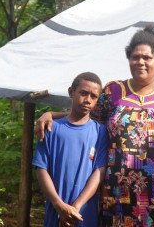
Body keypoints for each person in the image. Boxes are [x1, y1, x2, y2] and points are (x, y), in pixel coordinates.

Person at [35, 25, 154, 226]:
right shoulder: (113, 91)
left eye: (147, 57)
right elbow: (85, 117)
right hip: (118, 196)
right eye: (135, 57)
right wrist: (52, 114)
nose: (140, 61)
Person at [32, 72, 108, 227]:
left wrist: (75, 208)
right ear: (71, 92)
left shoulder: (100, 132)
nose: (88, 100)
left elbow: (99, 171)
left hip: (84, 214)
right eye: (83, 93)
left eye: (93, 96)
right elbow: (41, 169)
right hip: (55, 211)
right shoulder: (51, 128)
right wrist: (59, 205)